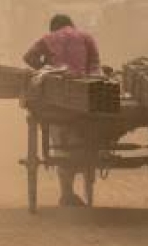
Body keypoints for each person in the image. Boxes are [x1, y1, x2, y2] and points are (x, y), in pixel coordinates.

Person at [23, 14, 101, 207]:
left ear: (53, 28)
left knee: (60, 143)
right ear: (72, 25)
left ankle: (67, 192)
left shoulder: (47, 38)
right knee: (83, 138)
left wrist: (44, 67)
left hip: (56, 98)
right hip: (84, 96)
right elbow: (95, 65)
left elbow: (28, 57)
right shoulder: (86, 36)